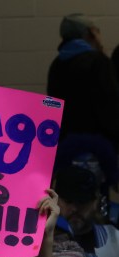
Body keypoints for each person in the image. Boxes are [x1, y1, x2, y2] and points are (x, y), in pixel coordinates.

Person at [46, 13, 119, 152]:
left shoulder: (57, 64)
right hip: (98, 144)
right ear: (89, 33)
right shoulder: (98, 62)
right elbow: (110, 106)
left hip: (67, 143)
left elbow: (53, 103)